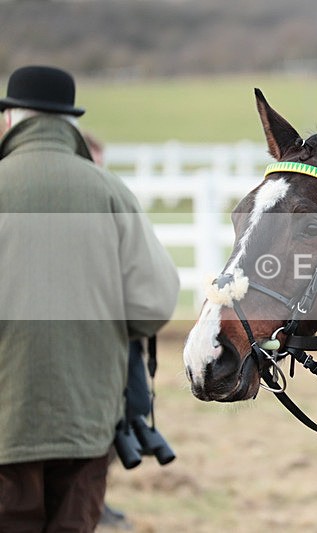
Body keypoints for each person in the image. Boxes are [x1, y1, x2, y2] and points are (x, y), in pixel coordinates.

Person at [0, 65, 179, 531]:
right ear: (69, 122)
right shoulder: (109, 190)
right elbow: (156, 303)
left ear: (10, 120)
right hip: (87, 416)